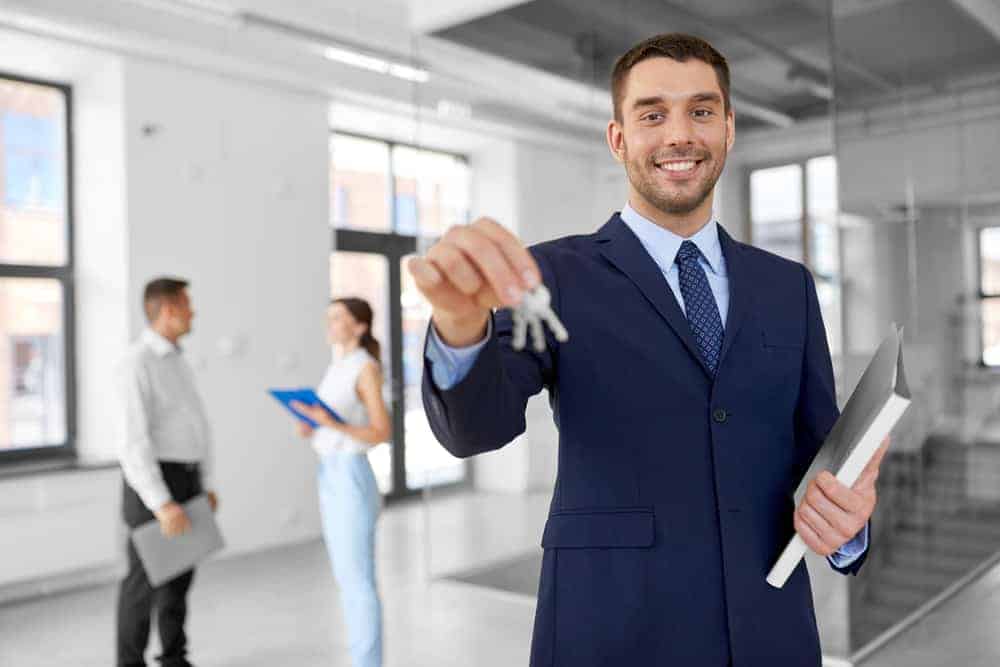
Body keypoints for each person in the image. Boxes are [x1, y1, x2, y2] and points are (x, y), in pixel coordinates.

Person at [408, 33, 888, 666]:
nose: (679, 135)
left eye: (702, 110)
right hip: (612, 629)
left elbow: (818, 459)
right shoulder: (552, 275)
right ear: (618, 139)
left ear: (729, 129)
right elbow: (475, 428)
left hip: (769, 631)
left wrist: (847, 529)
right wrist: (458, 320)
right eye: (653, 114)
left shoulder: (788, 286)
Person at [116, 277, 218, 667]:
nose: (193, 313)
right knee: (142, 585)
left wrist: (203, 484)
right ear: (168, 310)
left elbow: (195, 427)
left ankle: (174, 657)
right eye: (187, 306)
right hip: (155, 484)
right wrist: (162, 503)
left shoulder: (178, 360)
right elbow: (133, 442)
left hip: (187, 480)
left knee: (178, 578)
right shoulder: (136, 363)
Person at [292, 297, 390, 667]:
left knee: (358, 582)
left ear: (360, 326)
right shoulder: (338, 366)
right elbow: (332, 420)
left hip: (351, 476)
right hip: (329, 471)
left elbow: (382, 431)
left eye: (338, 318)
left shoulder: (365, 368)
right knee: (347, 579)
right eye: (328, 317)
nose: (329, 324)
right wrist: (313, 424)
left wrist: (330, 423)